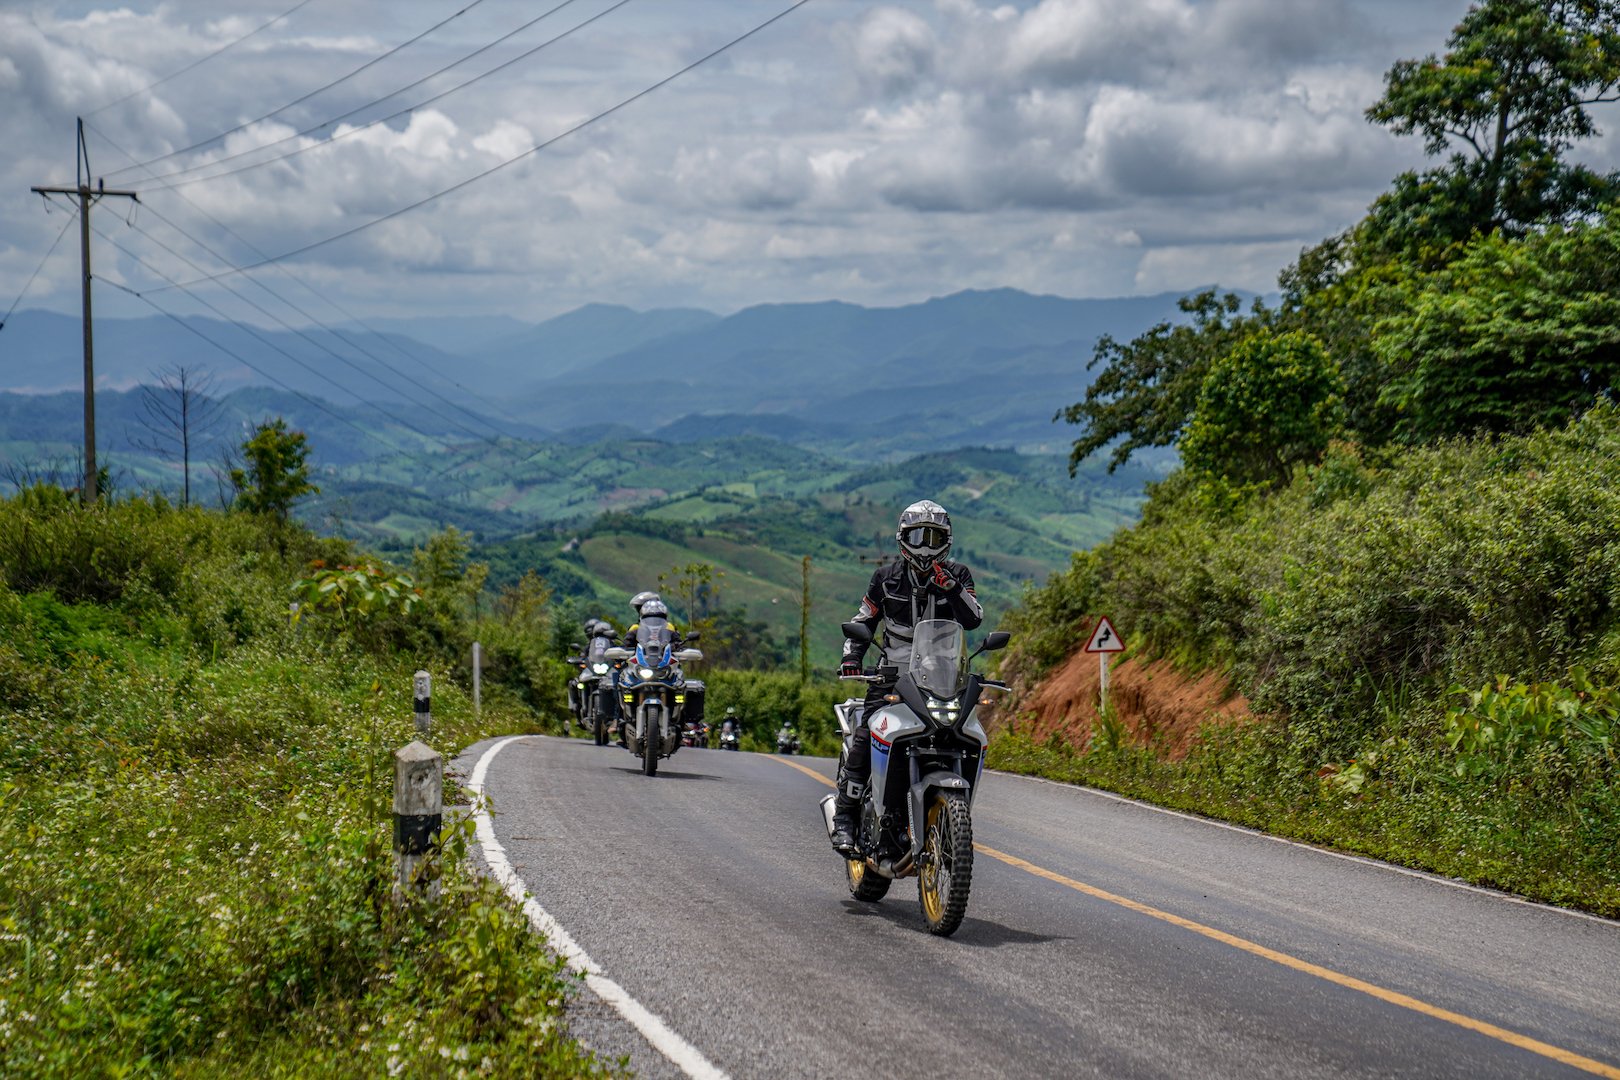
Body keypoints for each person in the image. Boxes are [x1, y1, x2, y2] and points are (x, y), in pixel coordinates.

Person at [829, 499, 982, 855]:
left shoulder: (959, 576)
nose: (926, 546)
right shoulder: (885, 578)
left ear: (947, 540)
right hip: (892, 678)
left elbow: (974, 619)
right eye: (918, 536)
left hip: (943, 680)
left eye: (934, 536)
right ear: (903, 538)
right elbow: (862, 622)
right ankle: (846, 818)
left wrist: (951, 588)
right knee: (867, 734)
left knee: (964, 735)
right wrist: (852, 658)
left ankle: (946, 814)